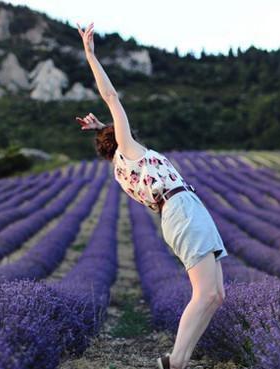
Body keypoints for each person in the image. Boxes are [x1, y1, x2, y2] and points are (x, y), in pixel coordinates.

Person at [75, 22, 229, 369]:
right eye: (121, 129)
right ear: (120, 138)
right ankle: (173, 362)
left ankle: (179, 361)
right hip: (181, 209)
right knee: (205, 293)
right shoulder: (128, 151)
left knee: (216, 295)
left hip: (183, 209)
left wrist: (101, 129)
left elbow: (114, 137)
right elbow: (111, 97)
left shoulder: (121, 164)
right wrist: (90, 54)